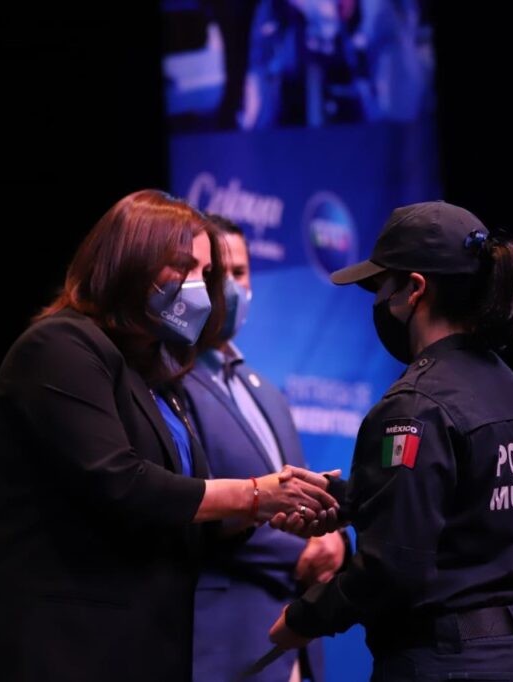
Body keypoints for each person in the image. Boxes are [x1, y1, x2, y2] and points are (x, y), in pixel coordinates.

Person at [0, 189, 338, 682]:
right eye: (183, 266)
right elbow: (121, 483)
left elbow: (187, 518)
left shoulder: (154, 376)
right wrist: (254, 494)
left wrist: (275, 509)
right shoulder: (59, 347)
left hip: (141, 650)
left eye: (206, 272)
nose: (199, 286)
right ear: (128, 260)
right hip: (61, 650)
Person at [268, 200, 513, 680]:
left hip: (442, 663)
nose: (379, 302)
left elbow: (391, 569)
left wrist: (304, 618)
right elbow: (470, 509)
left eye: (382, 286)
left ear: (415, 289)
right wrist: (352, 499)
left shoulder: (416, 404)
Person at [184, 215, 347, 682]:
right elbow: (189, 504)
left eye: (241, 273)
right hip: (226, 640)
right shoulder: (171, 383)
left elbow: (303, 493)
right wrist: (300, 551)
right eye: (218, 274)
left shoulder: (268, 392)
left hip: (294, 644)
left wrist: (335, 537)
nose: (231, 287)